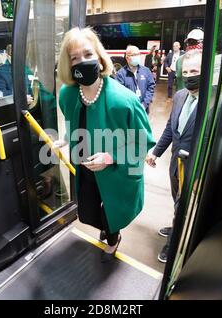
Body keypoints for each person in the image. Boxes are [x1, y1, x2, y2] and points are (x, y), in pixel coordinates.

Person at [56, 27, 156, 262]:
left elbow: (144, 141)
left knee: (112, 215)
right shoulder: (67, 94)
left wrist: (110, 157)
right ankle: (105, 227)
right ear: (68, 65)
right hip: (86, 167)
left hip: (117, 172)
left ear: (100, 58)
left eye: (88, 54)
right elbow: (73, 120)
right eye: (75, 58)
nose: (83, 61)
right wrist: (68, 138)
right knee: (90, 210)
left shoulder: (125, 101)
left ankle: (114, 238)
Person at [145, 49, 203, 263]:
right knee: (176, 199)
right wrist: (156, 153)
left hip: (195, 166)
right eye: (186, 71)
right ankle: (176, 224)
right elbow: (171, 128)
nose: (189, 75)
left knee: (184, 204)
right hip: (175, 162)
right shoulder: (179, 96)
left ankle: (174, 245)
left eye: (195, 70)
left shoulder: (213, 101)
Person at [115, 45, 156, 114]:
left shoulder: (146, 71)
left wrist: (144, 104)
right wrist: (131, 107)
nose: (137, 57)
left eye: (138, 54)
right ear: (127, 57)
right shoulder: (120, 74)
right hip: (128, 111)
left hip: (144, 110)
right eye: (134, 55)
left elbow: (151, 87)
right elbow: (119, 95)